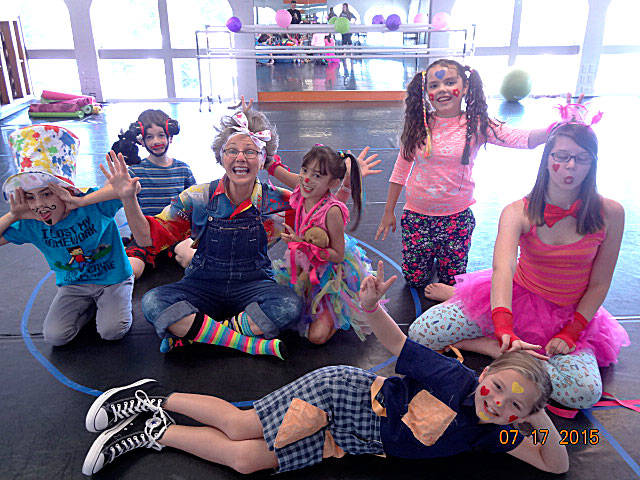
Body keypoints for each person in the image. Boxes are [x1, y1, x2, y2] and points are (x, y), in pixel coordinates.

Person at [81, 261, 569, 477]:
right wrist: (371, 308)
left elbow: (557, 463)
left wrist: (538, 414)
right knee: (242, 425)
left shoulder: (497, 434)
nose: (498, 401)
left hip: (347, 440)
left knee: (246, 461)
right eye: (498, 386)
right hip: (341, 396)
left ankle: (154, 432)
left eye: (514, 405)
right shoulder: (456, 380)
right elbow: (398, 343)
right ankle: (151, 397)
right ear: (485, 374)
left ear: (520, 417)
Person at [407, 123, 628, 409]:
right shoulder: (517, 211)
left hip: (569, 313)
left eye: (581, 158)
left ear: (592, 163)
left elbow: (600, 283)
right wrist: (503, 327)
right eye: (561, 156)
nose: (571, 166)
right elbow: (503, 269)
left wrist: (572, 332)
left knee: (583, 393)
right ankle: (492, 345)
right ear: (547, 158)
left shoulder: (611, 213)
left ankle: (506, 349)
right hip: (515, 299)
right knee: (421, 334)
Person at [103, 108, 304, 360]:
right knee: (153, 302)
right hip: (202, 284)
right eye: (232, 151)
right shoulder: (197, 197)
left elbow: (316, 194)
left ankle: (197, 334)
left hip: (254, 284)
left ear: (264, 160)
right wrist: (128, 199)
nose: (240, 158)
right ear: (221, 157)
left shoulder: (279, 202)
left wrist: (278, 169)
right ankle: (245, 343)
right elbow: (147, 240)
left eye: (251, 152)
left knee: (290, 305)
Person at [375, 59, 549, 297]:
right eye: (434, 85)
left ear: (465, 87)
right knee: (415, 280)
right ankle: (425, 261)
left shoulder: (476, 123)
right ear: (426, 92)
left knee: (452, 281)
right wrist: (388, 211)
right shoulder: (419, 125)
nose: (442, 90)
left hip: (456, 220)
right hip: (418, 217)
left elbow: (518, 138)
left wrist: (555, 129)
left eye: (450, 82)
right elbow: (400, 169)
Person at [0, 125, 134, 346]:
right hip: (74, 286)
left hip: (112, 279)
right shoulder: (31, 221)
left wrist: (82, 201)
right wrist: (13, 215)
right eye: (31, 197)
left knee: (112, 331)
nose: (40, 205)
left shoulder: (92, 204)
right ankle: (89, 308)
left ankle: (116, 298)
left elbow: (126, 191)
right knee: (56, 337)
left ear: (66, 191)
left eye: (46, 194)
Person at [269, 146, 373, 344]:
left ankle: (340, 315)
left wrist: (303, 245)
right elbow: (279, 171)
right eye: (304, 170)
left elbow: (338, 255)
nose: (307, 179)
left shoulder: (332, 212)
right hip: (302, 263)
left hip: (327, 273)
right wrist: (261, 151)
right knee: (281, 315)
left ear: (332, 183)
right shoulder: (303, 188)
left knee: (316, 337)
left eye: (317, 175)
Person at [123, 109, 197, 279]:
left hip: (175, 234)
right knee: (131, 270)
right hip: (145, 236)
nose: (156, 141)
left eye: (161, 135)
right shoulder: (134, 172)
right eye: (149, 137)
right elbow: (116, 199)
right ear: (141, 141)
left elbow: (195, 202)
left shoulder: (183, 169)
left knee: (192, 258)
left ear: (170, 137)